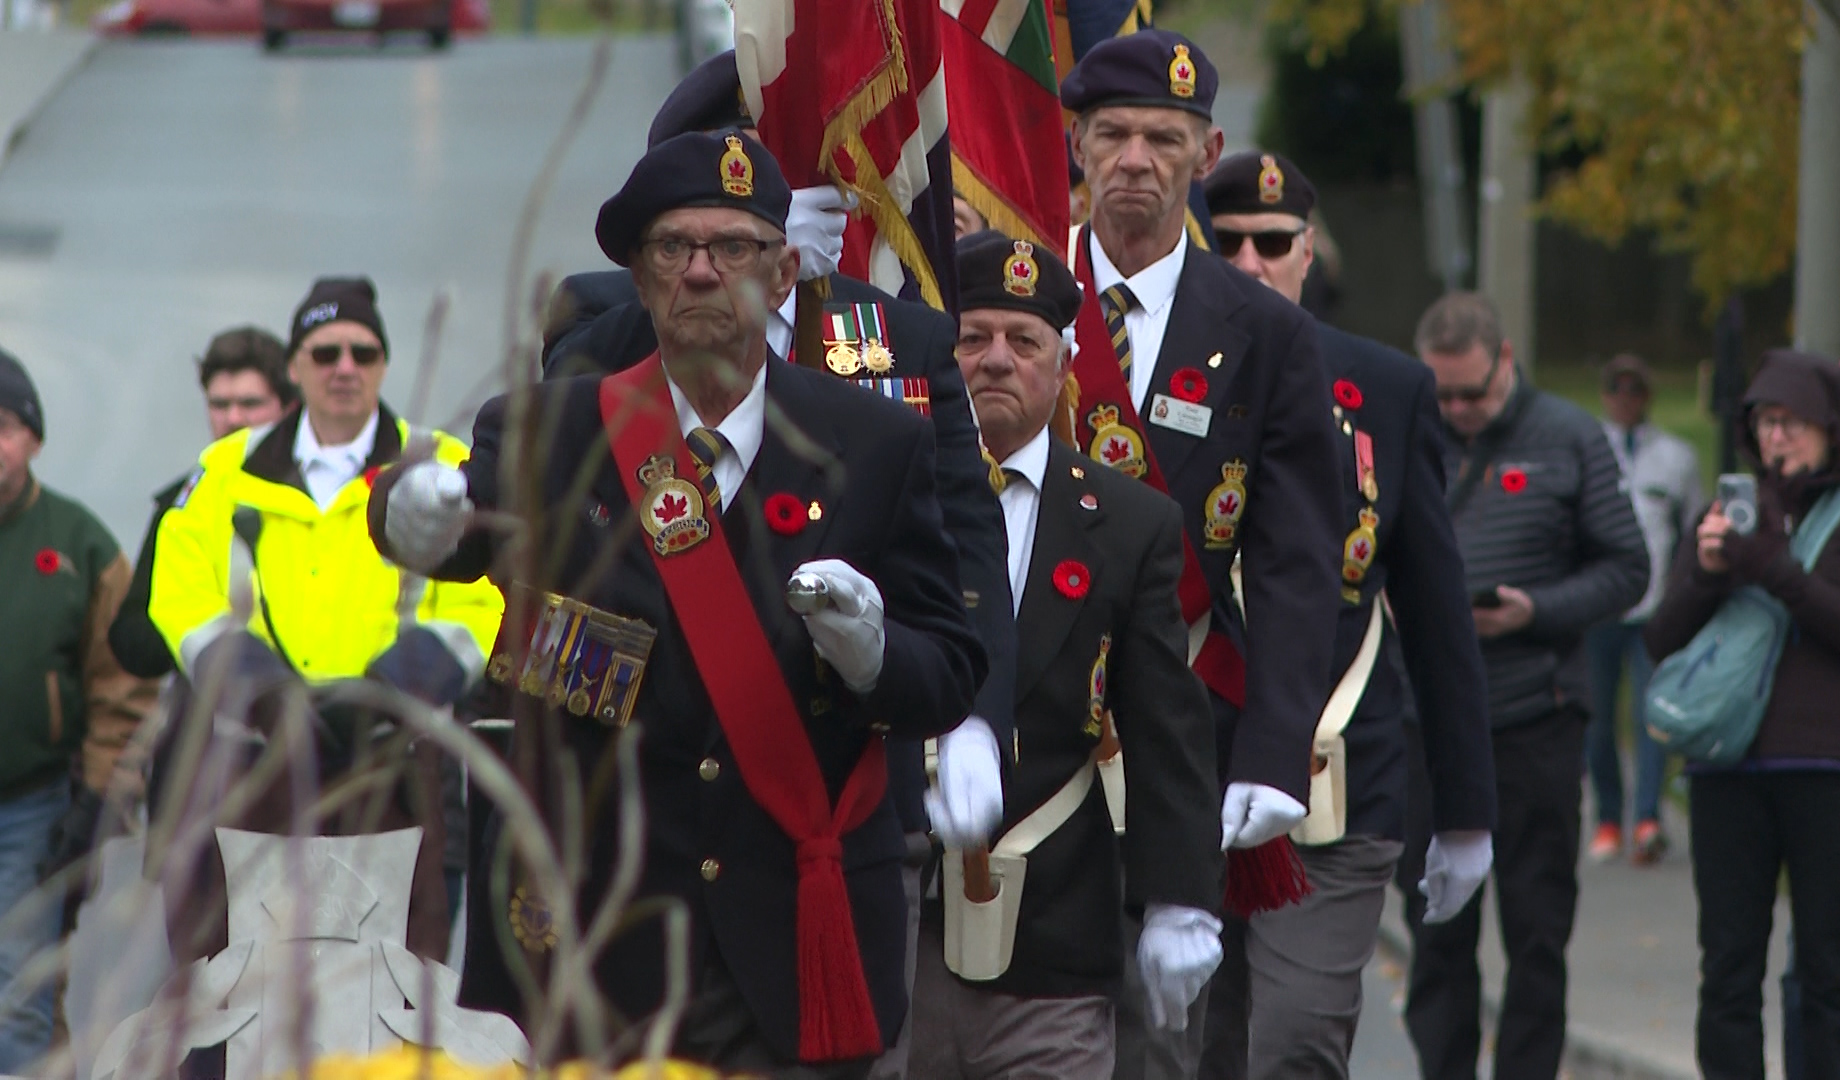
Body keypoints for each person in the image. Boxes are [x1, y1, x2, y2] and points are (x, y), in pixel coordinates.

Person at [375, 130, 988, 1077]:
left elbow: (946, 668)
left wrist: (871, 653)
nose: (701, 272)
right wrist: (408, 521)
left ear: (783, 274)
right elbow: (463, 526)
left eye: (732, 248)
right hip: (599, 941)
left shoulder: (871, 442)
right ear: (640, 276)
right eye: (673, 248)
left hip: (795, 936)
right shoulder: (554, 429)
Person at [536, 53, 1018, 1078]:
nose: (709, 263)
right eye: (684, 236)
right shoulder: (599, 347)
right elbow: (538, 591)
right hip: (640, 842)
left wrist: (966, 707)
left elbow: (961, 556)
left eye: (756, 218)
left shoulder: (897, 342)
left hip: (825, 826)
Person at [1056, 31, 1347, 1077]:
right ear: (1076, 145)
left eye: (1164, 138)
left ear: (1205, 150)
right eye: (1115, 134)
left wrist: (1276, 748)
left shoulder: (1264, 334)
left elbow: (1299, 556)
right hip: (1031, 737)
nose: (1136, 158)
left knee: (1177, 1045)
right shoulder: (1013, 302)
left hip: (1188, 729)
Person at [1195, 152, 1497, 1080]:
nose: (1251, 263)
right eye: (1230, 241)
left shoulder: (1387, 389)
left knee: (1293, 1046)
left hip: (1337, 780)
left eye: (1274, 243)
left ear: (1308, 249)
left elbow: (1438, 611)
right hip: (1186, 776)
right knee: (1191, 1052)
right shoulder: (1148, 379)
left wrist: (1465, 813)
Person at [906, 232, 1223, 1079]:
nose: (997, 361)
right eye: (973, 338)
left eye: (1025, 341)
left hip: (1056, 941)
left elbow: (1164, 723)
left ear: (1064, 363)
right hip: (903, 935)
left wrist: (1179, 900)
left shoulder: (1129, 523)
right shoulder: (881, 493)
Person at [147, 278, 503, 966]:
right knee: (243, 996)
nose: (346, 367)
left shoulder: (440, 468)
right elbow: (180, 588)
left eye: (364, 353)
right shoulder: (227, 469)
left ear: (383, 364)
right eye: (327, 350)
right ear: (296, 365)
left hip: (390, 769)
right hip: (257, 770)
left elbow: (485, 593)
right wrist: (254, 683)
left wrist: (402, 684)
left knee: (386, 995)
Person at [1645, 349, 1840, 1079]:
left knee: (1830, 967)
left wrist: (1769, 564)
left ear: (1831, 427)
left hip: (1836, 772)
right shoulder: (1728, 513)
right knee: (1727, 967)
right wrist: (1705, 572)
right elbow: (1661, 637)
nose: (1776, 439)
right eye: (1764, 424)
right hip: (1728, 771)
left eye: (1793, 423)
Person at [1403, 292, 1648, 1080]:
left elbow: (1627, 567)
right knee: (1435, 935)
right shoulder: (1403, 431)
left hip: (1535, 716)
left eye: (1473, 393)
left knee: (1538, 934)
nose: (1459, 410)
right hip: (1426, 726)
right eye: (1442, 394)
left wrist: (1535, 613)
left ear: (1506, 361)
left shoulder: (1569, 437)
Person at [0, 347, 151, 1072]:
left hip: (29, 807)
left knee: (17, 986)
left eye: (2, 425)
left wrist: (98, 800)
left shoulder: (79, 543)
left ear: (32, 438)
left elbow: (122, 687)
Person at [109, 326, 299, 680]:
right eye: (219, 404)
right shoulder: (183, 501)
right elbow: (131, 639)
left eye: (250, 404)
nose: (233, 419)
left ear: (289, 408)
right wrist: (193, 620)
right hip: (216, 711)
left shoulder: (323, 494)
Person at [1585, 354, 1702, 864]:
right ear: (1606, 395)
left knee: (1653, 716)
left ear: (1647, 397)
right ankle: (1609, 817)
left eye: (1635, 391)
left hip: (1653, 609)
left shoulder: (1676, 456)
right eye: (1617, 391)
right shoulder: (1588, 450)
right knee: (1597, 721)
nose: (1625, 400)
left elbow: (1691, 529)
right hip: (1599, 610)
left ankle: (1648, 817)